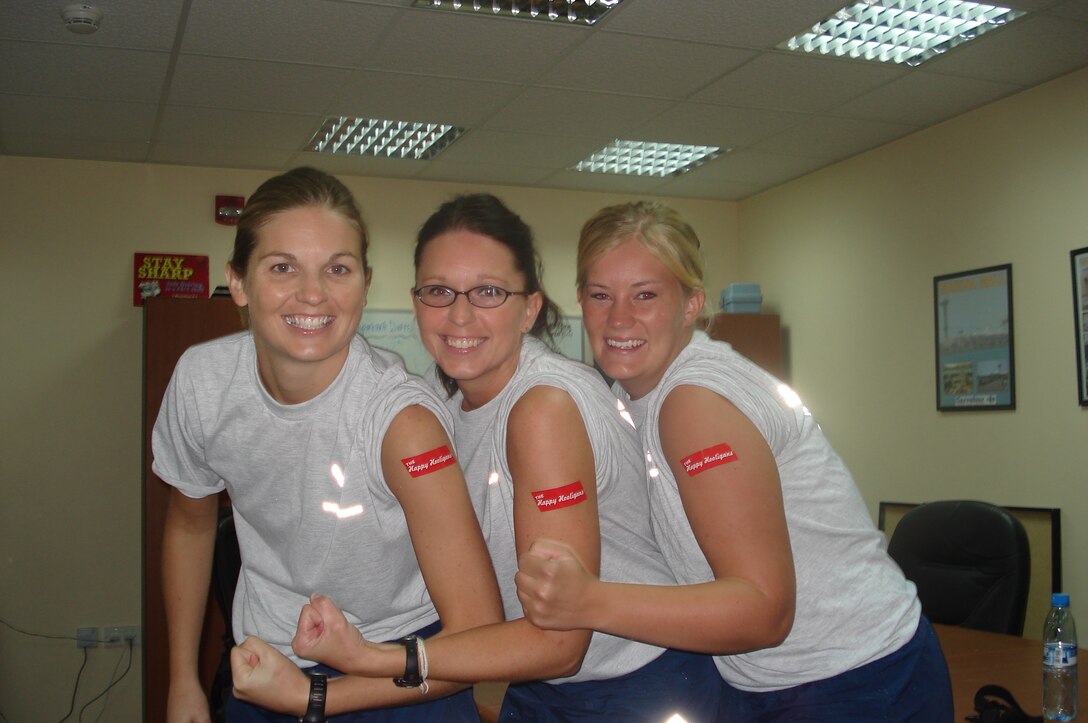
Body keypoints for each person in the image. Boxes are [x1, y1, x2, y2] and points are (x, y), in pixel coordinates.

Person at [240, 193, 724, 722]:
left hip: (637, 686)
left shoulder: (543, 409)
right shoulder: (442, 398)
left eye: (489, 291)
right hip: (541, 686)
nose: (460, 315)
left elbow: (560, 642)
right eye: (438, 291)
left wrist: (350, 672)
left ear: (529, 308)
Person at [515, 200, 954, 722]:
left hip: (855, 678)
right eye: (600, 295)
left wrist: (587, 600)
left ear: (691, 303)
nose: (619, 318)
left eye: (646, 295)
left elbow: (764, 610)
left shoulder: (694, 403)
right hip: (779, 681)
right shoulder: (643, 398)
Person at [153, 167, 502, 722]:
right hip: (265, 672)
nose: (312, 294)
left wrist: (316, 698)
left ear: (364, 283)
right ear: (238, 282)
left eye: (337, 269)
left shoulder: (402, 422)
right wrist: (183, 680)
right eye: (283, 267)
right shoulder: (203, 384)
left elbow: (480, 637)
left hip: (403, 669)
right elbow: (191, 523)